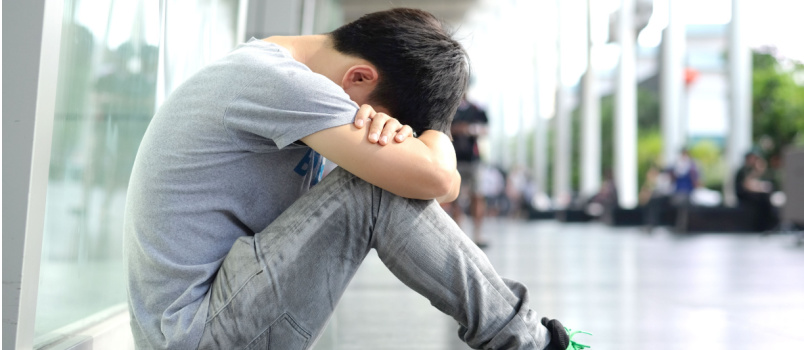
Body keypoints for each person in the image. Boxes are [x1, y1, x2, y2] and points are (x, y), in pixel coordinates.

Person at [124, 8, 589, 350]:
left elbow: (446, 183)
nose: (371, 128)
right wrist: (433, 138)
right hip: (197, 333)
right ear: (360, 77)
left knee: (386, 178)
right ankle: (533, 343)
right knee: (372, 187)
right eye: (379, 120)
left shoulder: (281, 72)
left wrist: (425, 140)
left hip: (211, 319)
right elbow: (436, 178)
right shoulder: (281, 82)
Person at [442, 97, 490, 247]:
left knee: (477, 195)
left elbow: (485, 129)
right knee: (454, 196)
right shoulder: (449, 106)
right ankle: (459, 235)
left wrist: (469, 130)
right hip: (454, 158)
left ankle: (477, 234)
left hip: (473, 160)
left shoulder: (475, 109)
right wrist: (456, 129)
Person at [734, 151, 776, 231]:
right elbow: (747, 185)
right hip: (743, 195)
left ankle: (767, 224)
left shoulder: (750, 169)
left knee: (765, 198)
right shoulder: (743, 170)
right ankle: (763, 225)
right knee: (763, 200)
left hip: (750, 194)